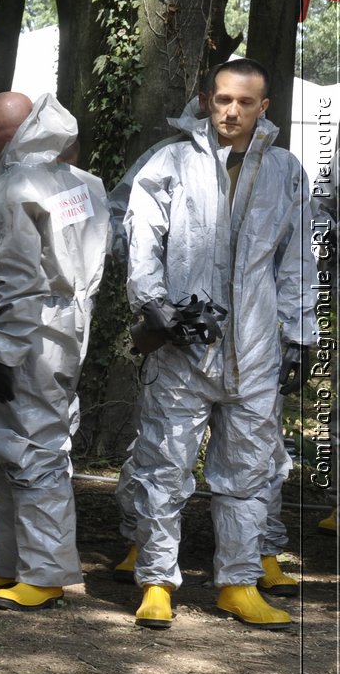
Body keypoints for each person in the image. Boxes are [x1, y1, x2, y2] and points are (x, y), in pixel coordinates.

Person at [117, 58, 317, 630]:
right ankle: (156, 581)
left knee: (250, 471)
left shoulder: (285, 172)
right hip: (184, 348)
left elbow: (298, 259)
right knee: (164, 465)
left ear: (264, 108)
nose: (230, 111)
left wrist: (301, 335)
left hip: (254, 350)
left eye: (244, 102)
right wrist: (154, 304)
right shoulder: (171, 162)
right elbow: (142, 238)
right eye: (222, 99)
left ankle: (238, 582)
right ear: (208, 98)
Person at [0, 92, 108, 611]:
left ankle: (45, 572)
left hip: (24, 332)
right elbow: (88, 261)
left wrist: (3, 351)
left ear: (4, 136)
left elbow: (18, 278)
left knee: (34, 449)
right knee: (17, 444)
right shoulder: (83, 184)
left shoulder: (9, 189)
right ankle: (15, 562)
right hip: (65, 327)